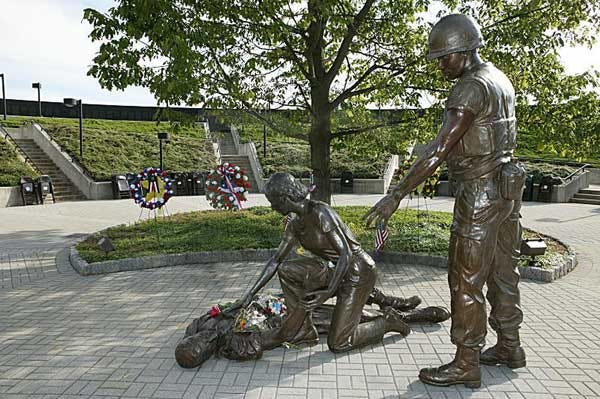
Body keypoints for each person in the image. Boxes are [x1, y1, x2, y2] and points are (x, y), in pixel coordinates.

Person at [365, 14, 526, 388]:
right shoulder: (499, 79)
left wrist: (396, 194)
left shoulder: (470, 88)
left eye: (444, 57)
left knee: (465, 281)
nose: (439, 64)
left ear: (466, 50)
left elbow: (439, 150)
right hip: (507, 192)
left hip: (480, 193)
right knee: (504, 274)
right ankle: (509, 346)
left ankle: (466, 362)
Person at [241, 172, 415, 353]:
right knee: (286, 270)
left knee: (339, 343)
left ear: (284, 199)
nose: (272, 207)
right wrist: (249, 294)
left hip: (358, 271)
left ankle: (387, 321)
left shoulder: (320, 212)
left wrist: (327, 292)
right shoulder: (295, 224)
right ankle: (302, 330)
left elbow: (345, 254)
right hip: (337, 270)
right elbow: (276, 260)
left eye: (272, 202)